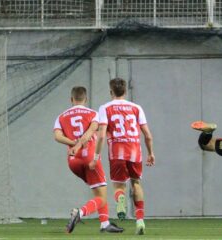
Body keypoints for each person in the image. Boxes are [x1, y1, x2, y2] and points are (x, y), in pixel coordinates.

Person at [53, 86, 124, 234]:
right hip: (89, 158)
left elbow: (57, 137)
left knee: (98, 191)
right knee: (102, 197)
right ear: (86, 99)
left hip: (73, 161)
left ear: (71, 99)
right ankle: (79, 213)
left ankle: (105, 224)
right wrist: (79, 144)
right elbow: (90, 132)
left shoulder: (61, 116)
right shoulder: (93, 114)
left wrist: (73, 144)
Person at [94, 78, 155, 235]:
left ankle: (120, 199)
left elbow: (101, 135)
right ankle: (140, 220)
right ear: (125, 91)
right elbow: (148, 135)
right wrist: (150, 153)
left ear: (110, 92)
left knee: (119, 186)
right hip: (135, 150)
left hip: (117, 151)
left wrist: (96, 155)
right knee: (136, 184)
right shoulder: (136, 108)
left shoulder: (105, 108)